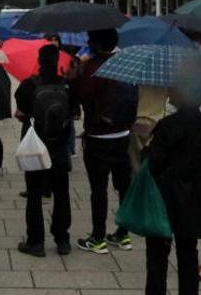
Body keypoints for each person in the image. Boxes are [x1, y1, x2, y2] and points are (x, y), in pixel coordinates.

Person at [145, 77, 201, 295]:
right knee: (188, 253)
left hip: (164, 197)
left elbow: (153, 163)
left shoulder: (166, 126)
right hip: (194, 197)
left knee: (157, 255)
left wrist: (148, 146)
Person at [73, 29, 136, 254]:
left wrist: (78, 70)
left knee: (99, 189)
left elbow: (83, 97)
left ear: (96, 44)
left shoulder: (92, 68)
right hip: (123, 135)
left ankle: (98, 237)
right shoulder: (126, 65)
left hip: (98, 137)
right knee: (123, 187)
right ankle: (123, 233)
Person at [14, 44, 74, 257]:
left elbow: (20, 109)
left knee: (34, 195)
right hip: (59, 145)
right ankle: (62, 239)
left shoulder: (30, 84)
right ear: (58, 60)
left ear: (39, 61)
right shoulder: (65, 85)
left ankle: (36, 242)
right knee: (61, 193)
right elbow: (74, 112)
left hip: (35, 146)